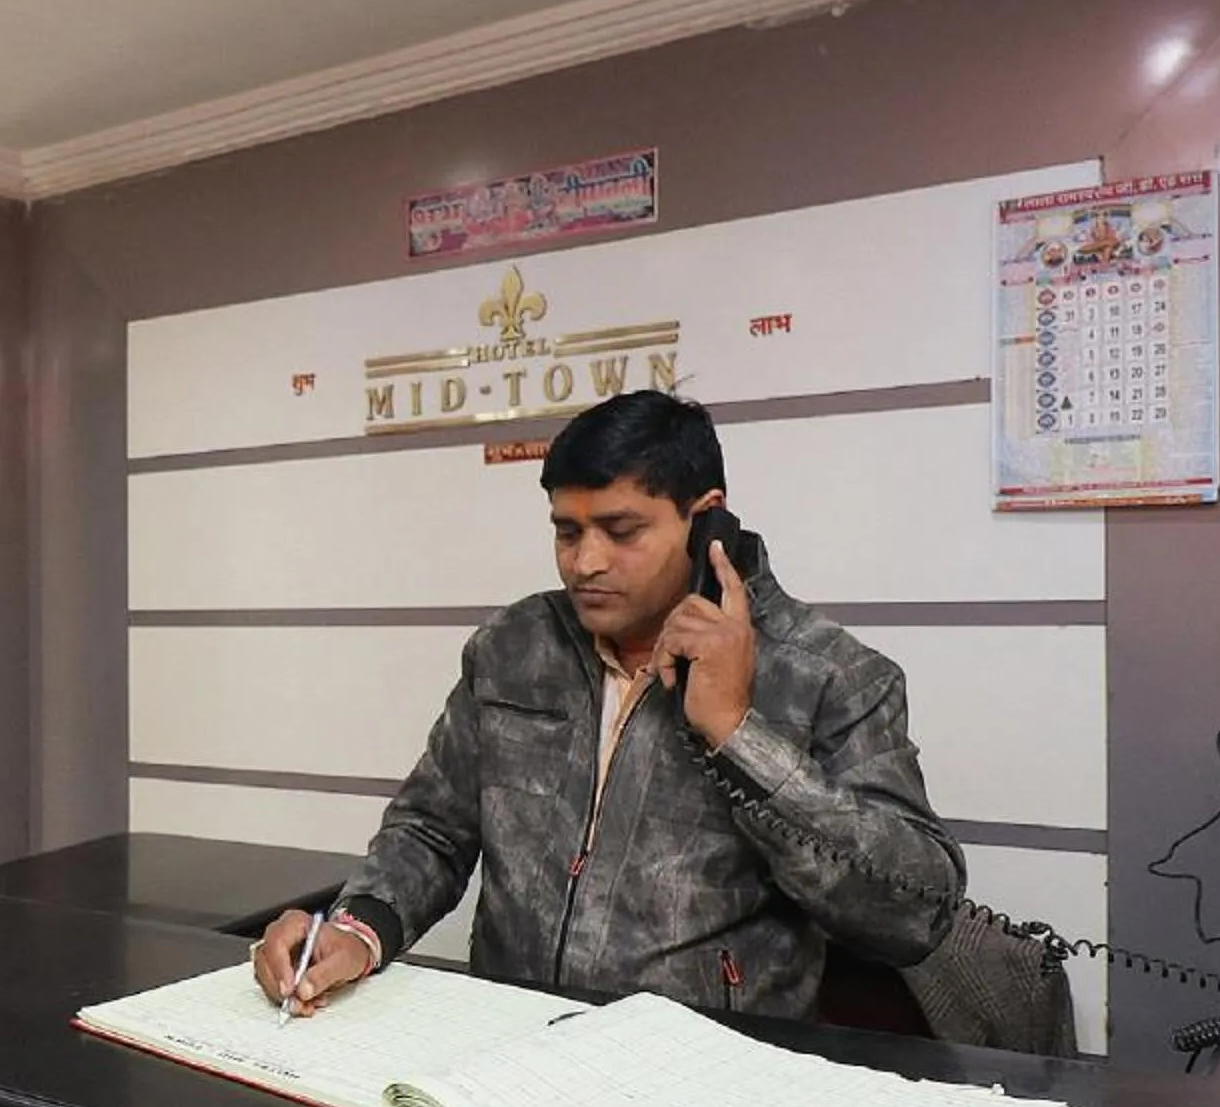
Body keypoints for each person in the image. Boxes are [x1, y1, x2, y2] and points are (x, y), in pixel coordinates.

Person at [253, 390, 967, 1023]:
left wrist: (736, 731)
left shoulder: (827, 674)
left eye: (622, 532)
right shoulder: (515, 647)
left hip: (709, 1079)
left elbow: (914, 913)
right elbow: (432, 830)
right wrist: (357, 927)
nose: (585, 562)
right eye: (568, 531)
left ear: (705, 521)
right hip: (505, 1050)